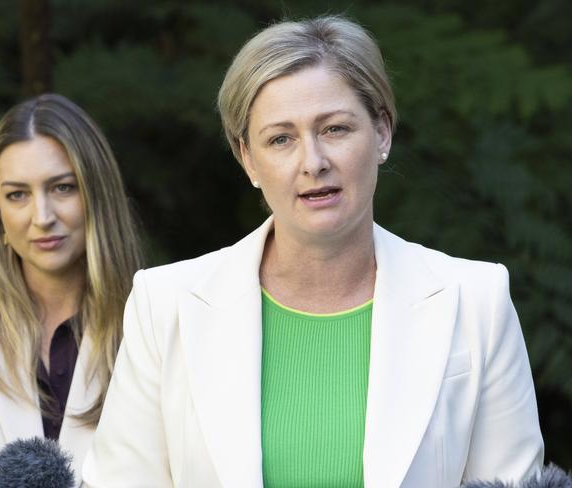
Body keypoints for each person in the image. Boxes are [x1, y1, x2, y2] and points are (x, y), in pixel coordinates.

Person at [82, 15, 543, 487]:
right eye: (281, 139)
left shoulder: (476, 300)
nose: (313, 162)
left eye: (335, 129)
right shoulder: (165, 305)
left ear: (381, 132)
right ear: (248, 159)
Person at [0, 93, 143, 485]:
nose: (42, 217)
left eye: (62, 188)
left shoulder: (152, 327)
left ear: (96, 197)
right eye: (17, 194)